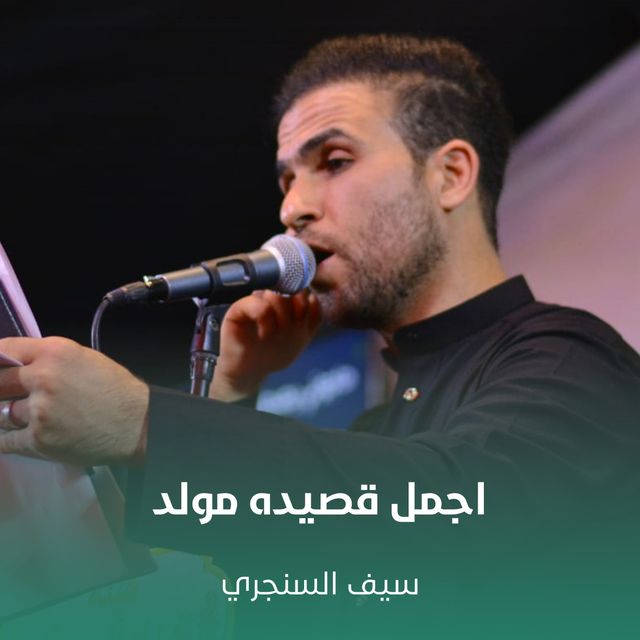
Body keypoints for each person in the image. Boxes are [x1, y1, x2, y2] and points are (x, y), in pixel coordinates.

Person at [0, 34, 639, 637]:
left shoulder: (573, 360)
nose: (291, 209)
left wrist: (143, 423)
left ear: (450, 175)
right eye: (287, 180)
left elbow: (458, 511)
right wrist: (230, 391)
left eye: (334, 161)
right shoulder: (379, 426)